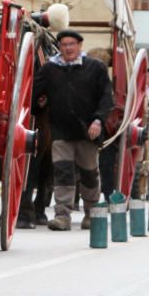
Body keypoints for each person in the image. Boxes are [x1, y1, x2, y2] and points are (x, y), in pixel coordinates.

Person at [32, 29, 113, 231]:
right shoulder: (50, 69)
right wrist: (39, 104)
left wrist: (98, 120)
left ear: (80, 46)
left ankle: (91, 213)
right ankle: (62, 216)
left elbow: (106, 98)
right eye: (64, 45)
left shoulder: (95, 68)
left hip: (88, 132)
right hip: (60, 132)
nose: (68, 48)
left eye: (72, 44)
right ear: (60, 47)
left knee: (89, 174)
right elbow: (34, 94)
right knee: (63, 173)